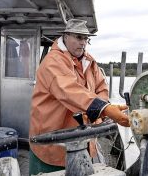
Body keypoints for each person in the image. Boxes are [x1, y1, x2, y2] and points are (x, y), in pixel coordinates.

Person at [29, 19, 130, 174]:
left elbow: (101, 87)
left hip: (83, 141)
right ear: (65, 36)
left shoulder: (89, 61)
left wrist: (102, 109)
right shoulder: (53, 61)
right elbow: (69, 91)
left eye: (85, 39)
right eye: (78, 37)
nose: (83, 43)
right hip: (52, 144)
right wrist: (105, 109)